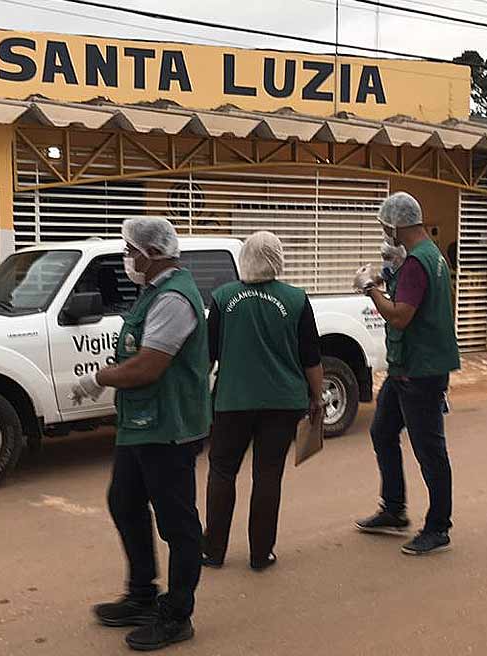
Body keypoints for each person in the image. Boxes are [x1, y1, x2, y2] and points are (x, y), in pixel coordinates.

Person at [69, 217, 211, 651]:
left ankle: (177, 613)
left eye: (131, 251)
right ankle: (142, 595)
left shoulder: (173, 299)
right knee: (124, 501)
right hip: (143, 423)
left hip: (169, 426)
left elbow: (150, 365)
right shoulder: (153, 292)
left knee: (177, 522)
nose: (127, 257)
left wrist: (101, 378)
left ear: (152, 254)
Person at [202, 231, 324, 571]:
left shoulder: (224, 297)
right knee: (268, 475)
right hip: (283, 403)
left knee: (222, 472)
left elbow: (208, 356)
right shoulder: (296, 299)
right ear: (278, 258)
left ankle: (213, 551)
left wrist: (195, 396)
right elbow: (311, 357)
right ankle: (260, 554)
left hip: (232, 401)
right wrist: (317, 398)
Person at [352, 191, 461, 556]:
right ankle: (394, 509)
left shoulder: (417, 262)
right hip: (407, 367)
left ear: (397, 223)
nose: (385, 232)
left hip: (421, 371)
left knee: (430, 450)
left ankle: (438, 527)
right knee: (382, 431)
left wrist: (370, 290)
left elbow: (400, 314)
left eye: (386, 225)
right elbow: (406, 298)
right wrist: (386, 277)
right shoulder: (429, 257)